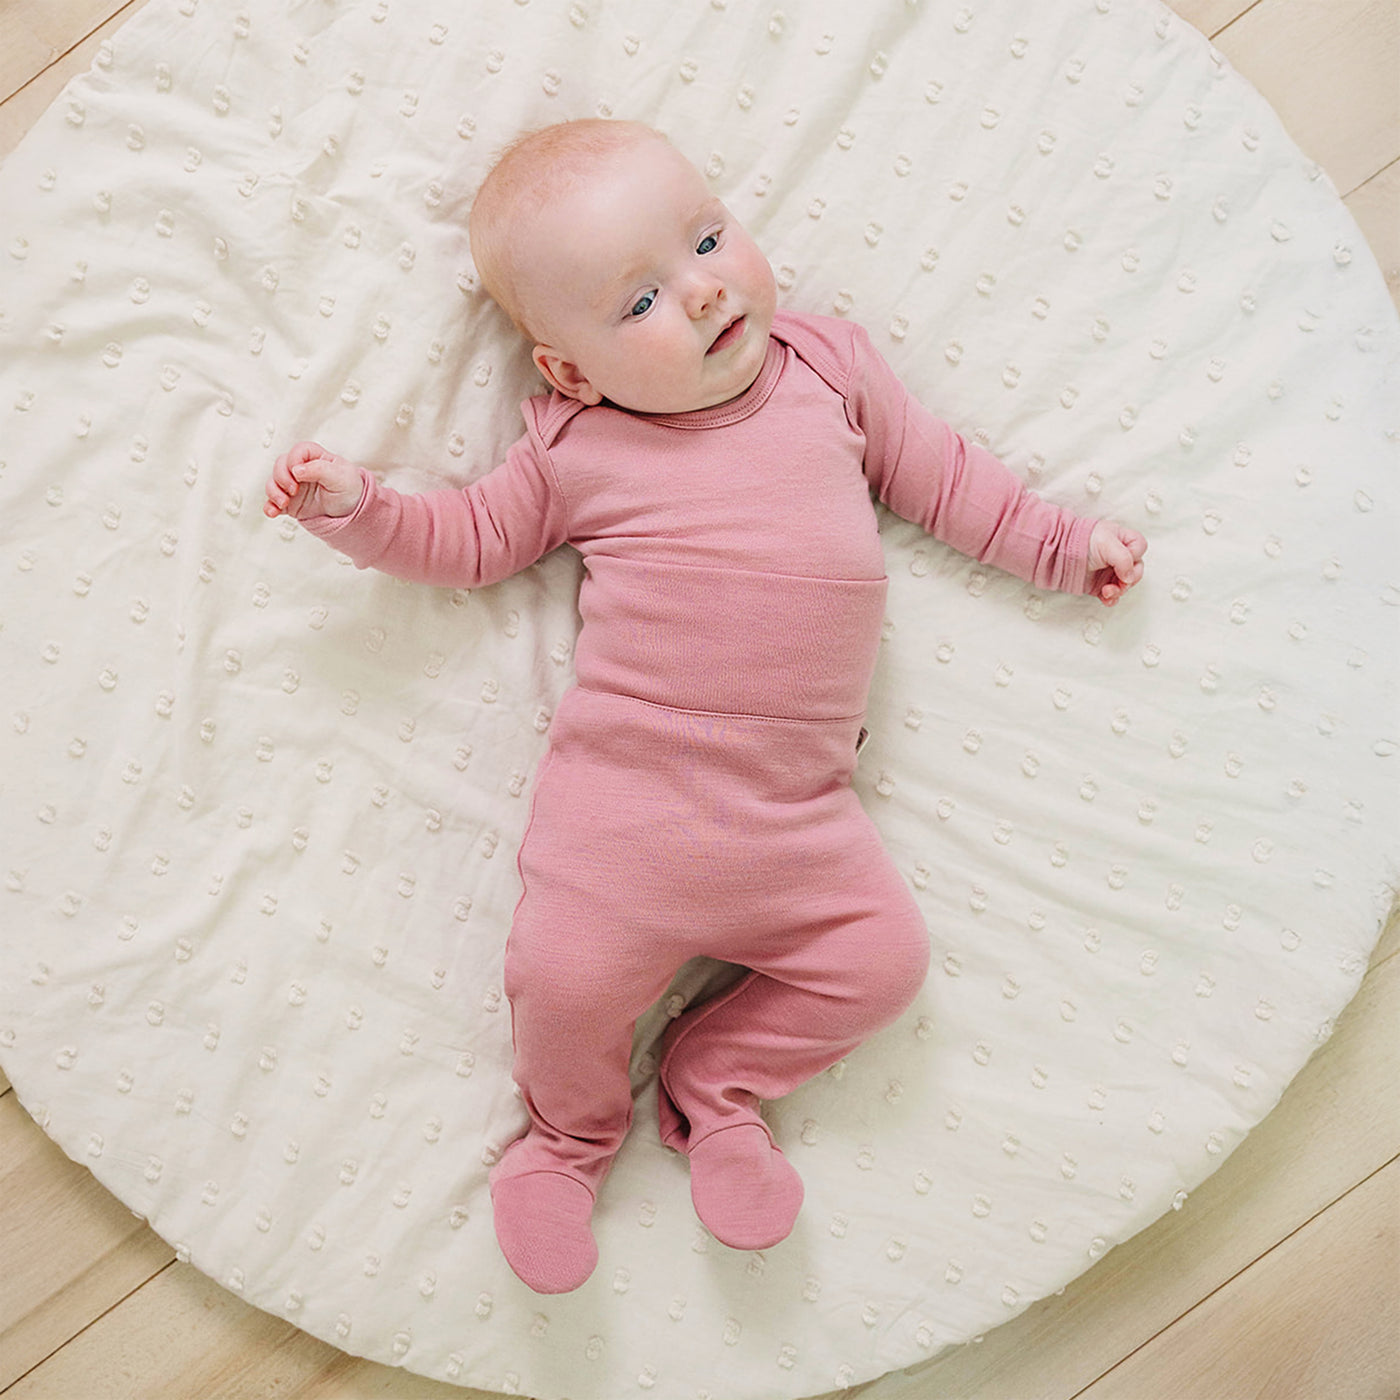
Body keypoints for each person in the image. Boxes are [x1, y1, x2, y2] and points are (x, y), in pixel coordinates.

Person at [264, 119, 1147, 1294]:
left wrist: (1059, 544)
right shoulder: (579, 445)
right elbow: (466, 538)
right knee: (562, 986)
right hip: (623, 822)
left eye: (705, 239)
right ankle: (567, 1143)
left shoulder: (829, 370)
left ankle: (714, 1082)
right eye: (637, 304)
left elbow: (946, 479)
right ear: (568, 372)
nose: (702, 293)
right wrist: (357, 508)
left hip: (796, 818)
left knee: (881, 962)